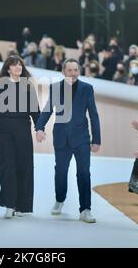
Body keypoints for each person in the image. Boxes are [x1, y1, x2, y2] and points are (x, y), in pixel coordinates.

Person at [36, 58, 101, 223]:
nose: (73, 73)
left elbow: (93, 114)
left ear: (79, 71)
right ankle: (59, 199)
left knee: (84, 173)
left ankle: (85, 209)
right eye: (70, 70)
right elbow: (47, 109)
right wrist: (40, 127)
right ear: (63, 71)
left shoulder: (87, 89)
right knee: (60, 172)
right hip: (61, 138)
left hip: (82, 139)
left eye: (75, 70)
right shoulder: (55, 88)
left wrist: (97, 139)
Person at [0, 55, 40, 218]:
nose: (18, 67)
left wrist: (40, 128)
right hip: (4, 130)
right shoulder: (0, 85)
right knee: (7, 166)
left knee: (24, 166)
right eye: (14, 65)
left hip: (23, 130)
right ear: (8, 68)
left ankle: (21, 206)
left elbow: (35, 112)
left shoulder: (28, 86)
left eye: (20, 64)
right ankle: (9, 204)